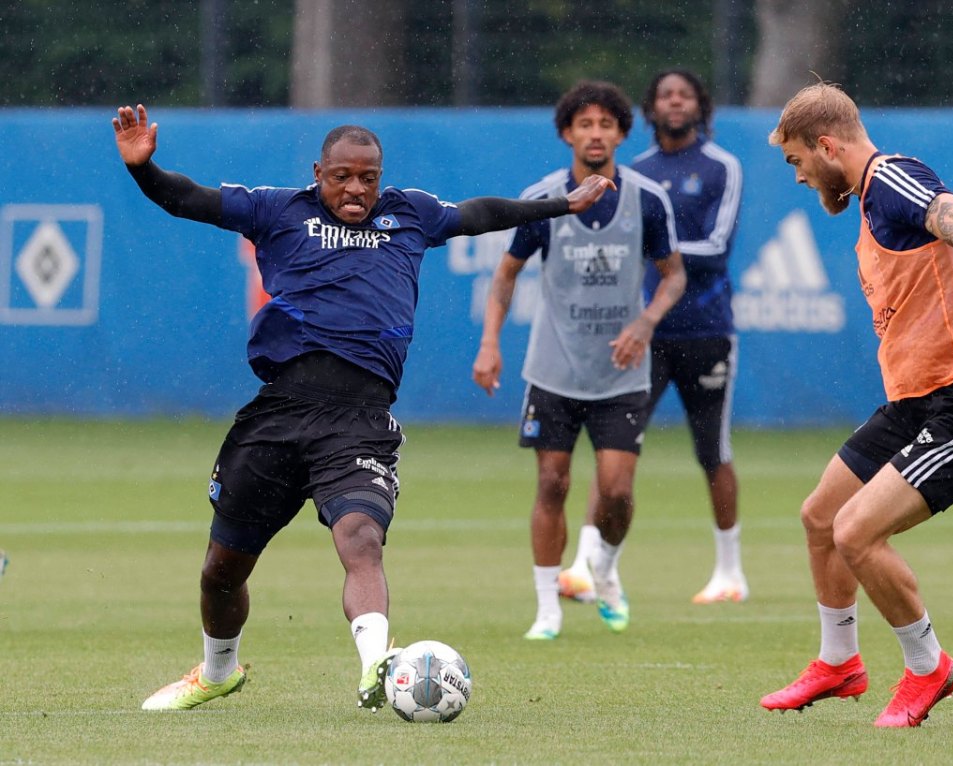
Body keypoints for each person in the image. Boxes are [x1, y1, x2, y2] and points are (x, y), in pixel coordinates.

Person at [113, 103, 614, 712]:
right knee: (221, 570)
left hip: (359, 422)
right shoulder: (278, 209)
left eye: (368, 178)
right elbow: (186, 198)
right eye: (342, 176)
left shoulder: (410, 214)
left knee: (360, 539)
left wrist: (563, 204)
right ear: (317, 172)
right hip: (277, 415)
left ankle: (377, 662)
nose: (356, 190)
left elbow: (481, 214)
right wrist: (145, 171)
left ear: (382, 177)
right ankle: (218, 671)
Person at [757, 83, 953, 727]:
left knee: (856, 531)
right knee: (821, 516)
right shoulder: (870, 202)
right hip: (914, 403)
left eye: (797, 161)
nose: (798, 177)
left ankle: (929, 666)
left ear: (827, 145)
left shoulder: (892, 180)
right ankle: (839, 663)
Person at [471, 81, 686, 640]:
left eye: (606, 124)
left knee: (615, 490)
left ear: (620, 134)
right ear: (567, 133)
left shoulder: (646, 199)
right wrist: (490, 344)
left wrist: (645, 322)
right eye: (584, 124)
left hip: (620, 373)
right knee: (552, 483)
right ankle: (548, 607)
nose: (595, 134)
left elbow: (673, 275)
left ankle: (605, 573)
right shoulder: (543, 199)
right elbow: (506, 275)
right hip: (554, 369)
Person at [556, 69, 748, 606]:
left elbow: (716, 248)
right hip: (644, 333)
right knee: (615, 446)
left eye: (685, 94)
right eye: (665, 94)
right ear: (650, 107)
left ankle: (730, 572)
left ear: (699, 104)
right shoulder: (634, 171)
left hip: (708, 330)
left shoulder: (721, 167)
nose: (675, 102)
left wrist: (658, 245)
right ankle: (585, 565)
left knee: (713, 449)